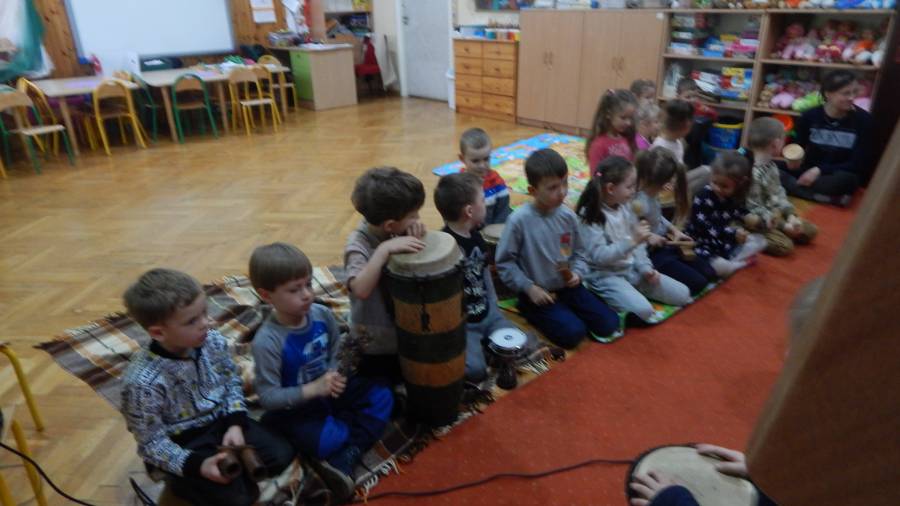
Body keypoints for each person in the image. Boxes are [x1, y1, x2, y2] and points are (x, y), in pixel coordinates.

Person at [120, 269, 293, 506]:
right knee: (238, 498)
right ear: (158, 332)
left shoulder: (212, 341)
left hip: (221, 423)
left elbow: (231, 381)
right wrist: (197, 465)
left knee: (281, 454)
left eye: (204, 312)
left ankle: (228, 472)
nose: (206, 323)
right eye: (192, 321)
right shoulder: (141, 384)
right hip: (184, 443)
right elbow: (151, 444)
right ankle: (181, 481)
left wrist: (235, 423)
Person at [249, 243, 393, 502]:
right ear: (266, 295)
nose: (307, 294)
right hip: (297, 408)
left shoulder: (322, 314)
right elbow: (268, 397)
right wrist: (314, 389)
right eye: (294, 290)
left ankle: (349, 448)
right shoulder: (267, 342)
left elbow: (336, 350)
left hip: (330, 392)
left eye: (308, 284)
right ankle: (349, 440)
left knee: (383, 394)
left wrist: (335, 373)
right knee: (329, 441)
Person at [496, 148, 620, 347]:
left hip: (567, 287)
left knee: (609, 324)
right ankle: (529, 308)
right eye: (553, 187)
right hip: (538, 292)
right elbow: (505, 263)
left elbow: (580, 252)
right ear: (533, 191)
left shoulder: (568, 216)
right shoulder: (519, 221)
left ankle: (565, 309)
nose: (562, 191)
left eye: (565, 183)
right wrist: (529, 288)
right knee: (573, 334)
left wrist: (578, 273)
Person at [576, 157, 691, 324]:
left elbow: (639, 244)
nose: (634, 191)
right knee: (643, 311)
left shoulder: (626, 205)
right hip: (605, 275)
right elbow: (600, 256)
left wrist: (645, 268)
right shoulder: (590, 216)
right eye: (629, 187)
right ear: (610, 188)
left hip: (631, 268)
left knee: (683, 294)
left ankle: (631, 291)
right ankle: (604, 293)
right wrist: (632, 241)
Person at [433, 172, 524, 381]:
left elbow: (486, 278)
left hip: (488, 315)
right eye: (483, 200)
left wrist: (495, 309)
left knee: (521, 344)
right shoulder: (444, 248)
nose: (486, 204)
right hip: (464, 326)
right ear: (469, 211)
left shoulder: (477, 238)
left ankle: (490, 350)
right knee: (475, 371)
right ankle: (485, 352)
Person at [344, 167, 427, 383]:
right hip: (373, 342)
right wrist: (383, 251)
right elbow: (360, 289)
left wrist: (413, 230)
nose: (418, 218)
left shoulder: (392, 229)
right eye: (413, 215)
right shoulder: (357, 245)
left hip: (398, 330)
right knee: (381, 385)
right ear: (390, 225)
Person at [783, 69, 872, 206]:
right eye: (846, 93)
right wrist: (793, 160)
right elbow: (797, 146)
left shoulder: (864, 120)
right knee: (770, 167)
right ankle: (823, 197)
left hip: (836, 173)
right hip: (808, 169)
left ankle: (797, 190)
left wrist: (819, 170)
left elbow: (858, 163)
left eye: (854, 92)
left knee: (847, 180)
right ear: (828, 94)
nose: (852, 97)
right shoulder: (809, 116)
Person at [634, 148, 716, 296]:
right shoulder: (638, 203)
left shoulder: (653, 193)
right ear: (664, 181)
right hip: (648, 254)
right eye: (671, 179)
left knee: (709, 273)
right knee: (699, 283)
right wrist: (650, 237)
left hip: (664, 245)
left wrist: (675, 230)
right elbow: (630, 230)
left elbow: (658, 217)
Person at [685, 152, 766, 278]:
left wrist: (752, 219)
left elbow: (739, 211)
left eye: (724, 186)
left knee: (761, 241)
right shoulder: (703, 196)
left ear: (740, 184)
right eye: (714, 182)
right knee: (722, 267)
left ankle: (733, 260)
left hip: (722, 241)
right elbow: (703, 227)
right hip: (701, 241)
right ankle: (736, 264)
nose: (717, 188)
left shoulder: (735, 196)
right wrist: (732, 233)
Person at [746, 117, 818, 257]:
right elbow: (754, 209)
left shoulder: (772, 166)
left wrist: (790, 215)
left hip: (774, 215)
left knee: (810, 231)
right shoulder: (753, 173)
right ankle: (748, 236)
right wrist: (783, 226)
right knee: (784, 246)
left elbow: (778, 192)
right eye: (784, 139)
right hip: (759, 220)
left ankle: (785, 229)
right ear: (775, 143)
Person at [653, 99, 711, 198]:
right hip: (665, 189)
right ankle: (682, 199)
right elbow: (655, 177)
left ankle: (683, 197)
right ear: (687, 126)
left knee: (707, 171)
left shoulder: (677, 141)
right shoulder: (660, 146)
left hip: (678, 180)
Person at [458, 127, 512, 224]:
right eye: (475, 161)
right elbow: (452, 215)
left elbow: (503, 211)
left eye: (486, 159)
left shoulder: (496, 182)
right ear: (462, 159)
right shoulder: (457, 184)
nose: (482, 166)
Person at [585, 89, 640, 172]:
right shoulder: (599, 145)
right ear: (608, 114)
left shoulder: (628, 138)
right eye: (623, 118)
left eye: (630, 118)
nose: (628, 123)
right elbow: (595, 175)